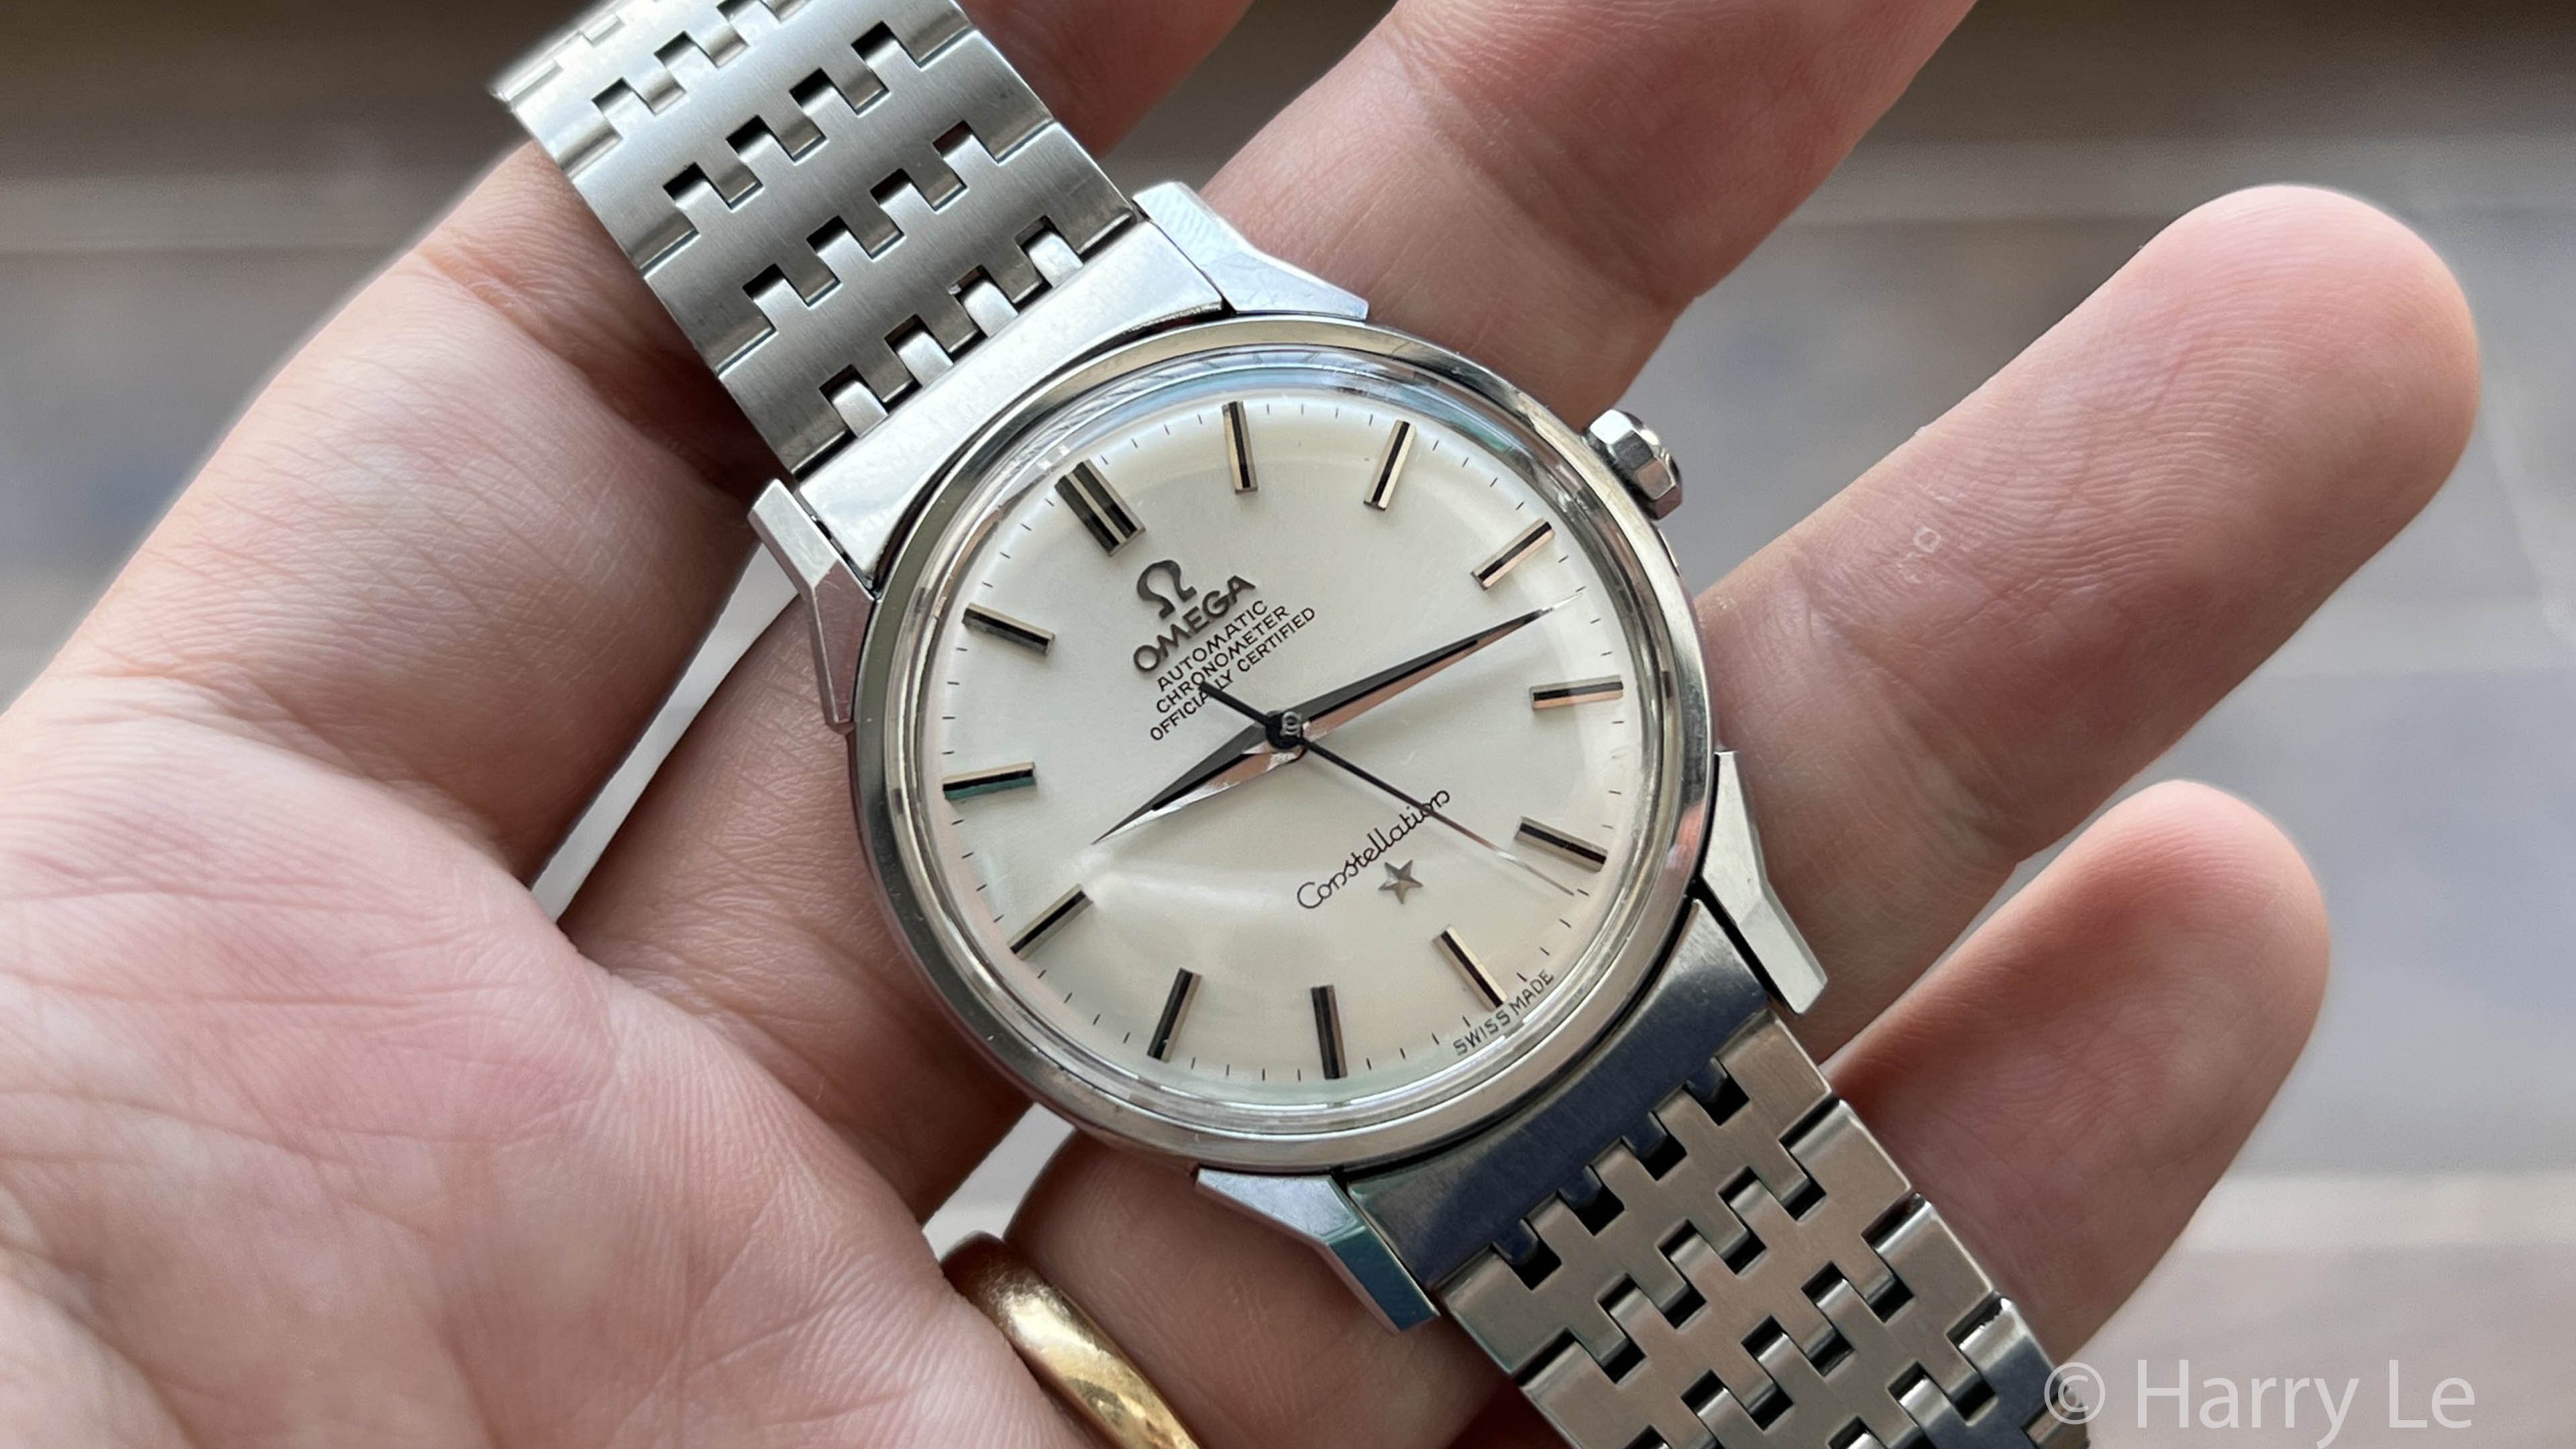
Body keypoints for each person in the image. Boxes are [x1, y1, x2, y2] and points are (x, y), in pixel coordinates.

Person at [0, 0, 2479, 1442]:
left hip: (1568, 956)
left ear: (1600, 491)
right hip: (1359, 1070)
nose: (1271, 742)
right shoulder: (989, 767)